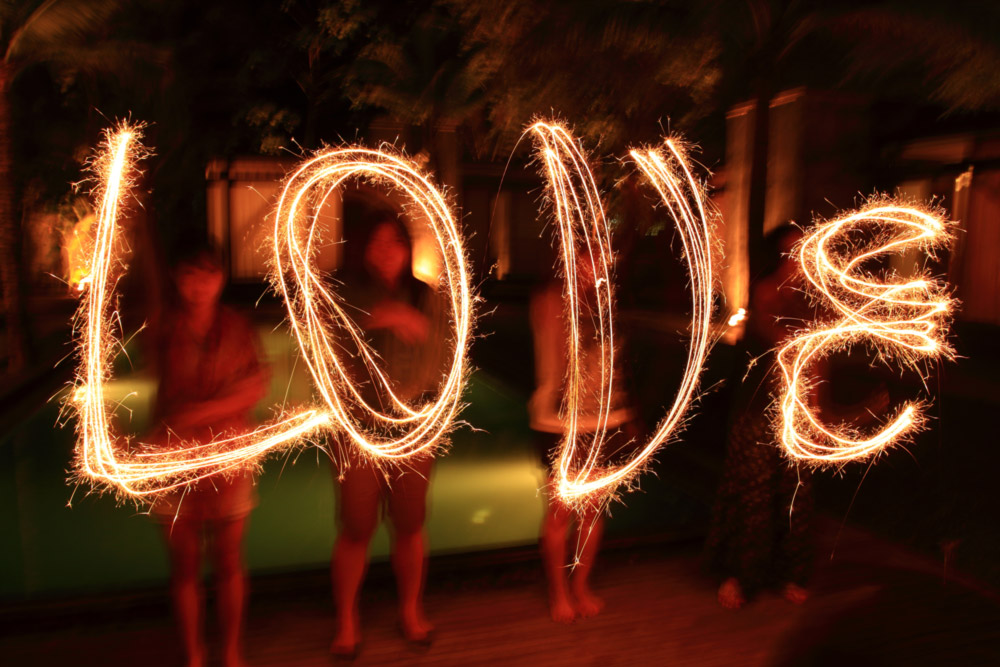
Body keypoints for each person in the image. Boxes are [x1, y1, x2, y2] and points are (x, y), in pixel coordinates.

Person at [329, 212, 446, 658]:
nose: (385, 249)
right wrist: (387, 314)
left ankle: (411, 611)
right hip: (357, 430)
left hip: (414, 431)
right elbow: (333, 336)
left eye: (394, 240)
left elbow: (441, 356)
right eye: (375, 241)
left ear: (406, 247)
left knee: (410, 525)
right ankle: (346, 620)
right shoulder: (344, 292)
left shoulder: (428, 296)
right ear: (362, 247)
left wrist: (415, 410)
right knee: (356, 529)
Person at [148, 244, 269, 667]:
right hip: (173, 458)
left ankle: (232, 650)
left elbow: (257, 385)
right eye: (189, 274)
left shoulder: (238, 327)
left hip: (229, 457)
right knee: (184, 565)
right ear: (175, 279)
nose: (199, 285)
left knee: (229, 559)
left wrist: (202, 411)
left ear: (221, 277)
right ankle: (195, 654)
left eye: (208, 273)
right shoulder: (163, 326)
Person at [705, 225, 815, 610]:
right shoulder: (765, 291)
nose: (798, 261)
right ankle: (740, 575)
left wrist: (817, 409)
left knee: (795, 496)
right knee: (752, 494)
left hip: (798, 413)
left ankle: (790, 572)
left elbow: (818, 359)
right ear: (778, 258)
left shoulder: (812, 297)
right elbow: (777, 337)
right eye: (790, 253)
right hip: (757, 410)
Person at [529, 250, 638, 623]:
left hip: (606, 420)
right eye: (581, 261)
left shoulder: (606, 304)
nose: (591, 269)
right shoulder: (551, 299)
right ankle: (558, 592)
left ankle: (580, 586)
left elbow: (615, 363)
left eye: (596, 261)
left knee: (593, 511)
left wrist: (626, 411)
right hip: (561, 423)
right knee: (560, 512)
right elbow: (562, 364)